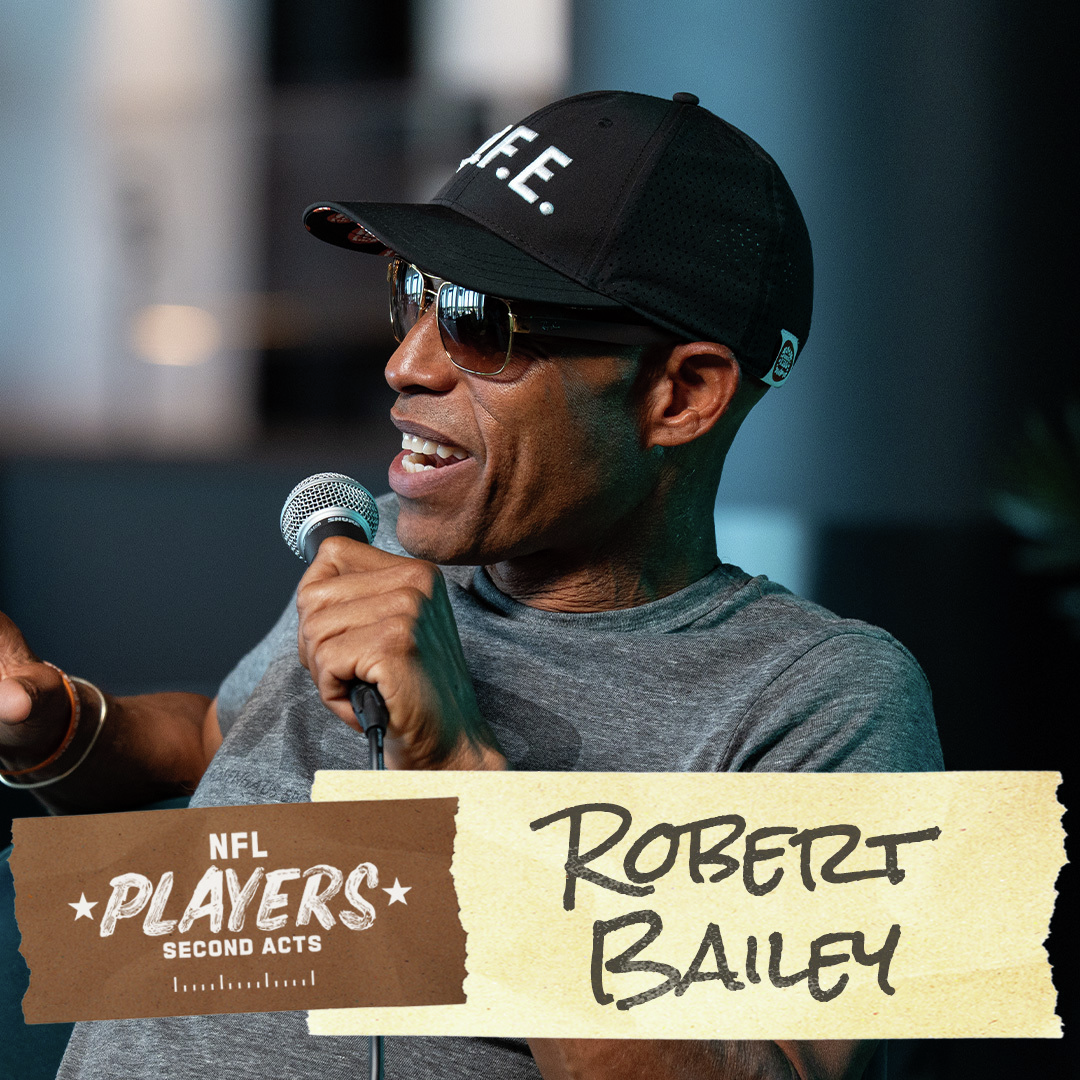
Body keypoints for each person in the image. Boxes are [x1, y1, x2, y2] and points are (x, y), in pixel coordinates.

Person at [1, 90, 942, 1079]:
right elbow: (215, 740)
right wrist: (54, 726)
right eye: (413, 294)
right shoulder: (378, 550)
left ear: (682, 393)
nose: (406, 364)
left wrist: (452, 766)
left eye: (478, 320)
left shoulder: (825, 698)